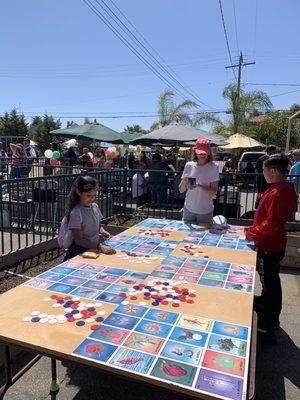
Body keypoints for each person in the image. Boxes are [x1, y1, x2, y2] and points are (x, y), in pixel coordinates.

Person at [245, 154, 297, 336]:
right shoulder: (284, 189)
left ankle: (270, 320)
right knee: (269, 280)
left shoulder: (277, 192)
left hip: (270, 245)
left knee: (270, 281)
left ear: (273, 171)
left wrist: (253, 233)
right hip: (272, 242)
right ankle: (267, 307)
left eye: (264, 170)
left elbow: (272, 222)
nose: (263, 173)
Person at [63, 176, 116, 261]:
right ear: (78, 192)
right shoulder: (76, 212)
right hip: (80, 253)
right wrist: (100, 247)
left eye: (94, 195)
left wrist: (103, 232)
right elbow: (79, 240)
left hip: (94, 250)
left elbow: (98, 225)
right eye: (88, 195)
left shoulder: (95, 206)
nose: (92, 198)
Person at [179, 138, 219, 224]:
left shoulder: (214, 166)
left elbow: (212, 192)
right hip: (188, 209)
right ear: (195, 151)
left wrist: (198, 185)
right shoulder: (189, 165)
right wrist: (184, 181)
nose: (202, 155)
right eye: (200, 152)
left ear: (209, 152)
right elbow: (181, 189)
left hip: (205, 211)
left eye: (204, 152)